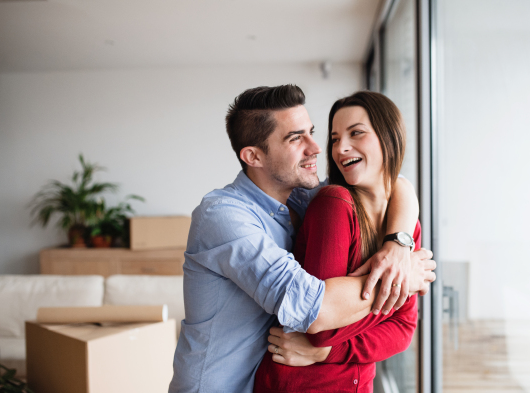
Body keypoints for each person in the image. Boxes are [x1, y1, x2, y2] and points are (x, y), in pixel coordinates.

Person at [168, 85, 436, 393]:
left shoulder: (302, 198)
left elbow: (393, 182)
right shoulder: (223, 216)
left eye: (311, 132)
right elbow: (317, 312)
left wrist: (398, 245)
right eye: (296, 138)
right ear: (254, 156)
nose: (318, 148)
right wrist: (404, 277)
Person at [254, 91, 418, 392]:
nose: (341, 148)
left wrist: (330, 352)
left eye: (356, 133)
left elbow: (403, 330)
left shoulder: (405, 229)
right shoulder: (335, 204)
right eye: (334, 138)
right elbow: (319, 324)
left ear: (389, 137)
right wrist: (392, 288)